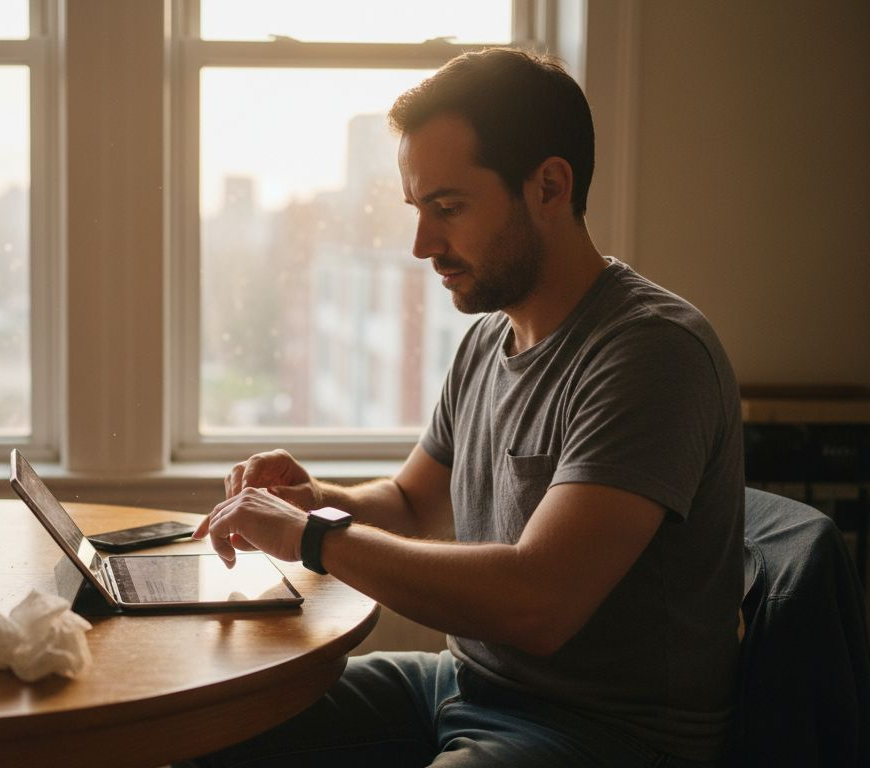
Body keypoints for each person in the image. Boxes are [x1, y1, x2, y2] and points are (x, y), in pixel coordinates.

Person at [192, 48, 744, 767]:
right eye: (417, 210)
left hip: (605, 734)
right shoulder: (490, 337)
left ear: (549, 185)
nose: (423, 245)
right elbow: (415, 504)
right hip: (466, 686)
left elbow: (537, 605)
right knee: (216, 723)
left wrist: (309, 538)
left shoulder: (652, 354)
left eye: (447, 208)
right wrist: (312, 498)